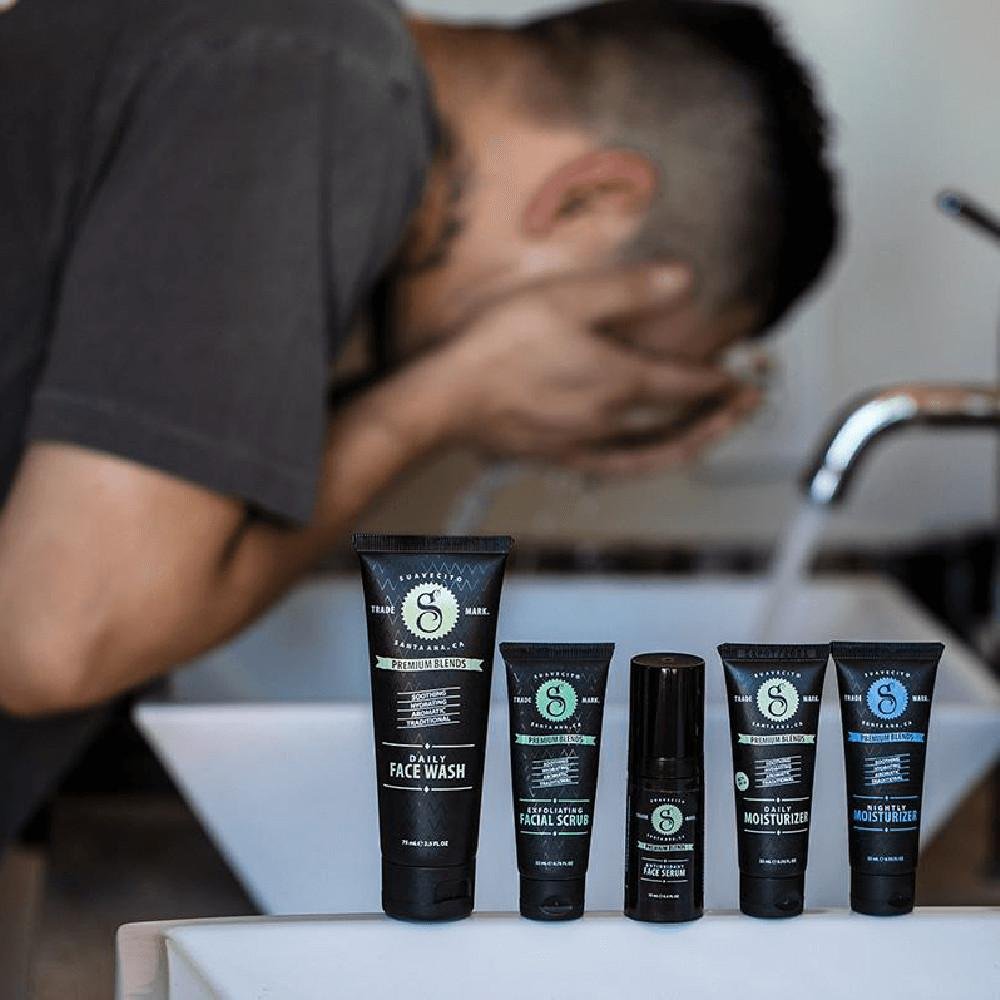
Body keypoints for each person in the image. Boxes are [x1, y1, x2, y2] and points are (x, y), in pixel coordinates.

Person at [0, 0, 837, 845]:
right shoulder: (313, 79)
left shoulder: (294, 72)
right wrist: (437, 405)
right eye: (609, 344)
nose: (582, 396)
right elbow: (61, 641)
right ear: (587, 200)